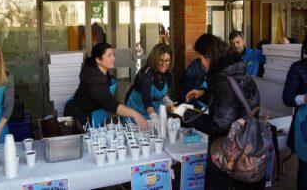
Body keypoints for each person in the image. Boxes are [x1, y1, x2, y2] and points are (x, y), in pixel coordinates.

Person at [174, 34, 265, 189]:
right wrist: (204, 92)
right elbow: (238, 98)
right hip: (248, 144)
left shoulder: (222, 81)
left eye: (202, 58)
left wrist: (186, 114)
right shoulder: (237, 70)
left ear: (210, 56)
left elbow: (218, 125)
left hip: (229, 153)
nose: (201, 64)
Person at [64, 43, 149, 130]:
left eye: (113, 55)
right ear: (98, 59)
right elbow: (109, 103)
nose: (113, 58)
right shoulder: (93, 78)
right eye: (109, 55)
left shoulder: (104, 71)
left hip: (93, 113)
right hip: (81, 116)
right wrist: (135, 114)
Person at [125, 43, 174, 128]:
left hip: (155, 107)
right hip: (137, 107)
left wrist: (166, 99)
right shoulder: (146, 74)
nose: (164, 64)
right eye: (160, 60)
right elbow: (146, 100)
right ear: (154, 59)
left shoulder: (168, 73)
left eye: (167, 60)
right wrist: (153, 116)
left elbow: (164, 91)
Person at [283, 34, 307, 190]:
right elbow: (287, 98)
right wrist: (304, 98)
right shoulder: (298, 68)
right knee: (305, 167)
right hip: (305, 123)